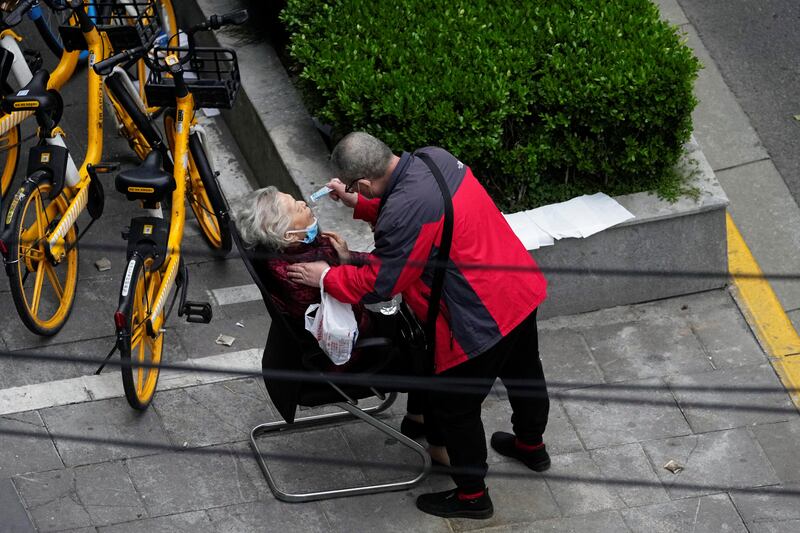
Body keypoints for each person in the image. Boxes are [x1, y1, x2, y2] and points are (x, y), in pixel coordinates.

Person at [287, 132, 550, 520]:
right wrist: (361, 204)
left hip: (479, 318)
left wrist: (326, 277)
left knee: (455, 409)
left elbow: (381, 284)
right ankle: (532, 447)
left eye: (358, 190)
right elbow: (424, 218)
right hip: (518, 289)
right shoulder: (435, 158)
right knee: (525, 374)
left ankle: (473, 497)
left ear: (361, 181)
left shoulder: (405, 209)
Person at [232, 186, 448, 462]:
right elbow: (374, 283)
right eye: (296, 207)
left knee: (415, 333)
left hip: (319, 343)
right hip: (348, 354)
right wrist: (345, 267)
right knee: (433, 355)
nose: (303, 202)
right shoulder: (305, 269)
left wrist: (343, 259)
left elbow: (345, 268)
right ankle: (440, 447)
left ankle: (417, 418)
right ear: (288, 234)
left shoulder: (286, 252)